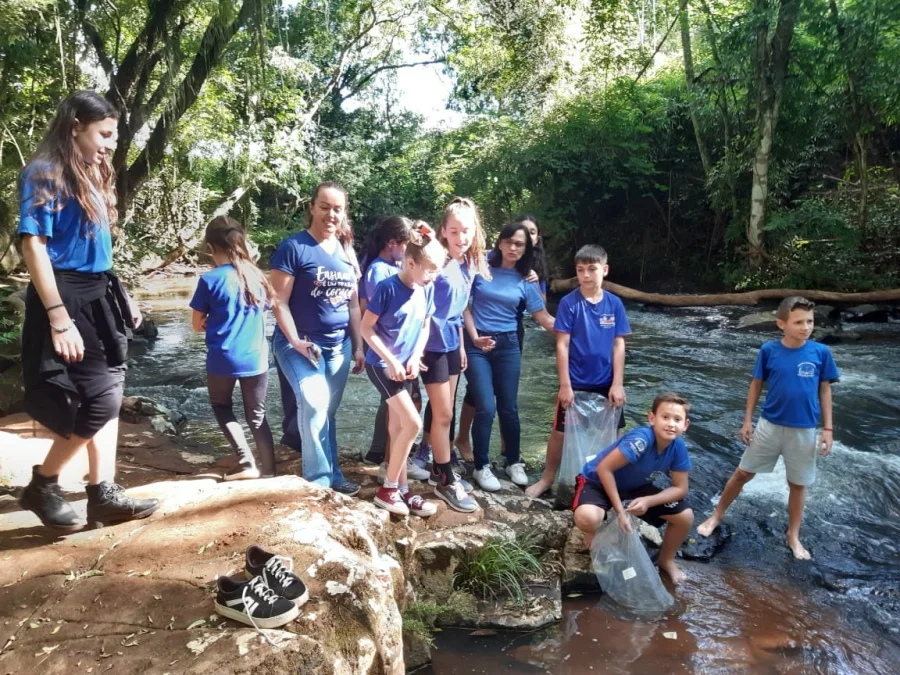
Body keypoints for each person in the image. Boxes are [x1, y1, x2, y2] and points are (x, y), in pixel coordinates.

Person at [17, 90, 158, 531]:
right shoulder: (44, 172)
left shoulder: (91, 171)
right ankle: (43, 482)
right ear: (76, 124)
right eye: (105, 133)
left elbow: (95, 246)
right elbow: (33, 246)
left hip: (98, 291)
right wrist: (58, 316)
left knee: (110, 388)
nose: (111, 143)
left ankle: (103, 493)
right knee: (100, 396)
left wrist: (122, 293)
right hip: (66, 296)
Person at [697, 296, 839, 560]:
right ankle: (717, 515)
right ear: (781, 324)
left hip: (805, 430)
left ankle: (793, 535)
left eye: (809, 321)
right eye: (798, 322)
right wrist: (747, 419)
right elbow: (756, 384)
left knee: (798, 484)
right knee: (742, 473)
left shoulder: (821, 353)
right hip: (769, 425)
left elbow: (825, 390)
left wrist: (828, 429)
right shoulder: (769, 351)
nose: (805, 327)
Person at [270, 182, 365, 495]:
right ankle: (319, 483)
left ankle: (334, 475)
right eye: (324, 206)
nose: (331, 214)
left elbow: (353, 305)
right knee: (314, 403)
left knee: (327, 411)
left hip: (340, 345)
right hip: (299, 344)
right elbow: (278, 302)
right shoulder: (294, 247)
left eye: (337, 208)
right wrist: (296, 341)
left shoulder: (346, 253)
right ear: (311, 207)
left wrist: (359, 346)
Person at [525, 245, 629, 499]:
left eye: (592, 269)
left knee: (615, 432)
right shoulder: (570, 304)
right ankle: (548, 478)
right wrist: (565, 385)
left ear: (604, 270)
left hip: (606, 382)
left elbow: (618, 344)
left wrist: (617, 383)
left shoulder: (614, 304)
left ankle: (614, 481)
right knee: (559, 433)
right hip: (576, 380)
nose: (586, 275)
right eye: (580, 270)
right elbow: (562, 344)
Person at [463, 222, 555, 492]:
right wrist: (473, 336)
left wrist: (576, 329)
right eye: (510, 242)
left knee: (509, 407)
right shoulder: (480, 269)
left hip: (509, 344)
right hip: (477, 343)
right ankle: (481, 467)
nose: (514, 248)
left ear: (526, 248)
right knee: (485, 407)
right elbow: (462, 305)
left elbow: (544, 318)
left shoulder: (526, 279)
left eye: (520, 244)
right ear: (500, 242)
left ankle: (512, 460)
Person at [361, 222, 445, 516]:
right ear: (410, 263)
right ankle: (387, 491)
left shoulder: (428, 288)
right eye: (430, 269)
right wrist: (393, 360)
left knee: (400, 428)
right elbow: (366, 328)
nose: (434, 275)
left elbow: (425, 325)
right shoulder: (387, 288)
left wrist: (415, 355)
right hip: (382, 366)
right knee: (412, 425)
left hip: (406, 368)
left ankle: (404, 490)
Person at [417, 198, 492, 512]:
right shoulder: (436, 260)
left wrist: (464, 344)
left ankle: (435, 463)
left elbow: (460, 306)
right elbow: (418, 299)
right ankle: (444, 477)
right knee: (445, 413)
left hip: (451, 343)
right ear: (443, 232)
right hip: (430, 343)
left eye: (467, 231)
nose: (462, 237)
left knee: (441, 411)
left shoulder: (472, 263)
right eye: (455, 231)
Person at [573, 392, 694, 583]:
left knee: (685, 517)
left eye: (677, 419)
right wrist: (621, 512)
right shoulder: (641, 439)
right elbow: (604, 469)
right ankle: (592, 532)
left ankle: (666, 560)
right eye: (665, 417)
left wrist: (648, 501)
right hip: (597, 481)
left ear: (685, 425)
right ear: (652, 418)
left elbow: (680, 489)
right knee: (587, 518)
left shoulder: (678, 447)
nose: (671, 424)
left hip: (634, 486)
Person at [190, 216, 276, 480]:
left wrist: (210, 321)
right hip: (256, 357)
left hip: (224, 357)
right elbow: (267, 307)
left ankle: (245, 461)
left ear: (210, 246)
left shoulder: (210, 280)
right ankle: (271, 472)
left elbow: (196, 324)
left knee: (221, 405)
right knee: (258, 415)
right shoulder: (257, 276)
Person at [358, 216, 429, 481]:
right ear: (392, 244)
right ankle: (388, 464)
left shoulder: (401, 269)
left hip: (403, 354)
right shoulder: (381, 273)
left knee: (398, 413)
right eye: (407, 244)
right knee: (400, 413)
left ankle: (390, 463)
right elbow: (381, 320)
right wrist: (392, 358)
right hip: (388, 355)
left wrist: (414, 352)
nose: (411, 250)